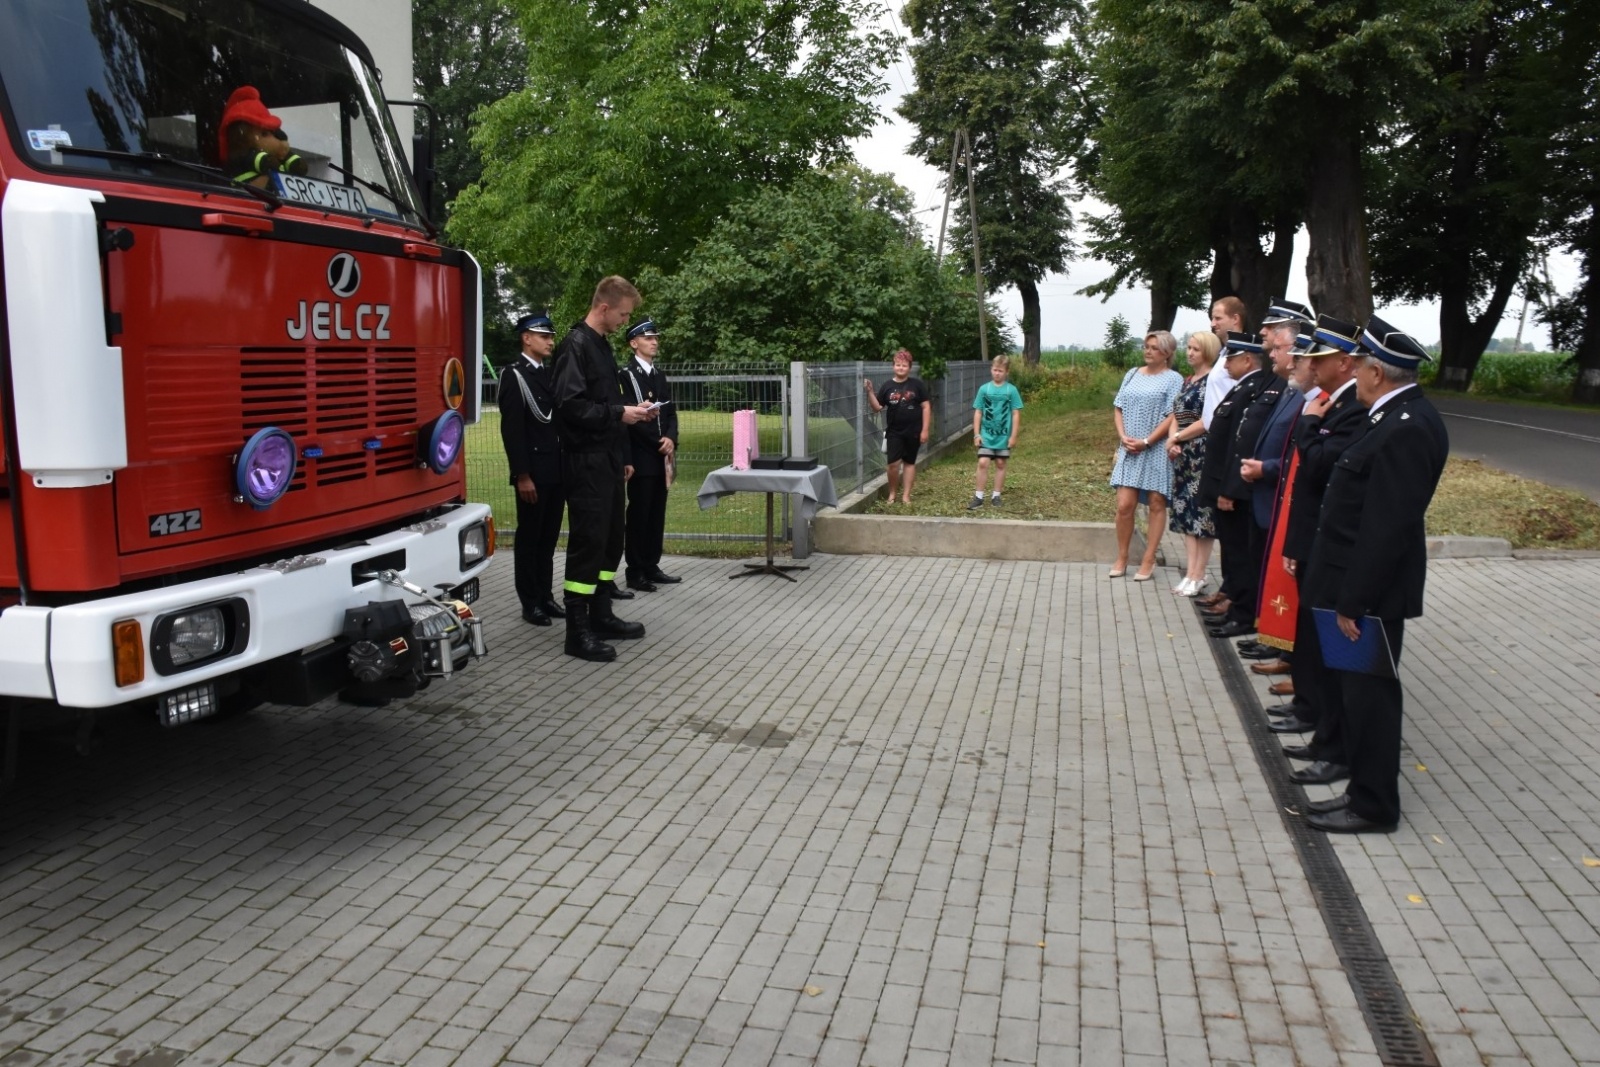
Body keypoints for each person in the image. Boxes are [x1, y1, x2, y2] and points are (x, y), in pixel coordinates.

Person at [1302, 316, 1449, 834]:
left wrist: (1354, 601)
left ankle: (1373, 805)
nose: (1357, 373)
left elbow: (1387, 527)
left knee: (1370, 700)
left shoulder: (1407, 428)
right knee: (1353, 694)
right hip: (1350, 584)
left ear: (1375, 372)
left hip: (1367, 595)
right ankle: (1356, 785)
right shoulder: (1388, 417)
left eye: (1361, 365)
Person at [552, 276, 657, 662]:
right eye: (623, 314)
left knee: (612, 539)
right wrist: (619, 412)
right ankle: (577, 632)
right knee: (589, 542)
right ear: (603, 308)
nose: (624, 321)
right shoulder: (575, 346)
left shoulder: (600, 346)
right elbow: (570, 406)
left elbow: (603, 404)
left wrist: (628, 419)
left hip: (609, 458)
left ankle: (600, 614)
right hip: (585, 461)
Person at [1206, 300, 1309, 638]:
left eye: (1273, 335)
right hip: (1257, 488)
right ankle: (1258, 621)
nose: (1263, 334)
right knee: (1249, 558)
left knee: (1252, 561)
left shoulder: (1290, 389)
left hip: (1266, 491)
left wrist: (1240, 482)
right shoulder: (1272, 384)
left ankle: (1257, 621)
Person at [498, 312, 566, 627]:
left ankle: (546, 595)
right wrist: (522, 475)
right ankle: (530, 601)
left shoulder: (550, 375)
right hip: (533, 473)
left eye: (551, 336)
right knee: (530, 539)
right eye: (544, 336)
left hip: (555, 468)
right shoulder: (514, 375)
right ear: (527, 338)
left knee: (549, 538)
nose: (550, 341)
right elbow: (513, 431)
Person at [1197, 333, 1268, 620]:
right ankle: (1231, 594)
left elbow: (1240, 445)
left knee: (1239, 549)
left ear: (1248, 359)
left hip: (1232, 486)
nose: (1225, 364)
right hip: (1222, 481)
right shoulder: (1241, 387)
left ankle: (1239, 603)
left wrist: (1229, 488)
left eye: (1231, 358)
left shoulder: (1252, 389)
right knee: (1231, 544)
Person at [1109, 330, 1183, 580]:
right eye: (1146, 346)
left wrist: (1147, 441)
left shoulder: (1174, 379)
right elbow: (1118, 407)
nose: (1148, 351)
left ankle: (1149, 558)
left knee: (1156, 503)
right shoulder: (1132, 374)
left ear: (1167, 353)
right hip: (1129, 447)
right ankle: (1122, 556)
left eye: (1154, 347)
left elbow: (1172, 415)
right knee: (1124, 505)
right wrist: (1122, 437)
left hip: (1155, 448)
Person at [619, 319, 681, 592]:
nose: (654, 342)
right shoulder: (627, 375)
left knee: (657, 512)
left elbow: (670, 413)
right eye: (648, 338)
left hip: (661, 455)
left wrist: (671, 438)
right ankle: (635, 570)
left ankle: (652, 564)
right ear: (634, 343)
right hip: (642, 456)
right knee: (640, 514)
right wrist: (658, 441)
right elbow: (631, 417)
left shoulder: (658, 374)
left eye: (655, 338)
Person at [1164, 331, 1219, 595]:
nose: (1190, 352)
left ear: (1207, 351)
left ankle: (1200, 573)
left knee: (1202, 516)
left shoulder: (1214, 381)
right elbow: (1177, 413)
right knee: (1185, 513)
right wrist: (1172, 441)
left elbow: (1207, 419)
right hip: (1182, 453)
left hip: (1202, 451)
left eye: (1196, 349)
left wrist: (1178, 436)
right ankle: (1190, 572)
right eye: (1188, 347)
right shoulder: (1188, 381)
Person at [863, 350, 931, 504]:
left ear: (909, 367)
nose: (901, 368)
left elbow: (926, 407)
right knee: (893, 464)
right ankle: (892, 493)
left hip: (914, 431)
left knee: (909, 463)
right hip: (894, 432)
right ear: (893, 366)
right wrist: (869, 392)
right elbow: (877, 407)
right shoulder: (887, 386)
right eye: (898, 365)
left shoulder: (917, 385)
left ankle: (906, 496)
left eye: (904, 365)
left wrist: (925, 430)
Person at [218, 86, 308, 187]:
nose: (274, 139)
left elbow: (289, 161)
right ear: (241, 139)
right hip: (246, 196)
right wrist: (267, 161)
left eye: (272, 133)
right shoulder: (244, 157)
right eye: (264, 134)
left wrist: (294, 162)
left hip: (278, 199)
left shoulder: (276, 156)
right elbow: (261, 161)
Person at [968, 355, 1023, 510]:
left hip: (1003, 436)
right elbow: (978, 412)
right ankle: (978, 497)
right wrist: (977, 434)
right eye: (994, 370)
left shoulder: (1011, 390)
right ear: (991, 370)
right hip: (986, 435)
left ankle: (996, 495)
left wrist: (1013, 436)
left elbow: (1015, 413)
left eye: (1000, 371)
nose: (997, 373)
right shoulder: (984, 389)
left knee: (1000, 463)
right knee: (983, 462)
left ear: (1006, 372)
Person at [1202, 297, 1248, 430]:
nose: (1212, 324)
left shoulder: (1242, 355)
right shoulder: (1224, 354)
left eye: (1218, 318)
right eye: (1212, 318)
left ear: (1235, 319)